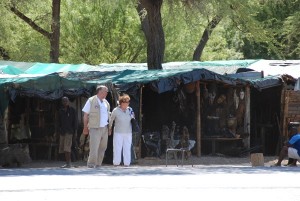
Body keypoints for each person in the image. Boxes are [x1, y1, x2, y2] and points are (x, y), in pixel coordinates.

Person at [82, 85, 110, 168]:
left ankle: (98, 164)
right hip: (95, 128)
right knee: (94, 147)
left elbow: (108, 115)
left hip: (104, 128)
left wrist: (109, 128)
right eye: (105, 91)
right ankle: (91, 164)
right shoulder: (91, 100)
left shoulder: (106, 102)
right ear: (100, 91)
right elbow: (85, 115)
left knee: (103, 147)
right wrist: (85, 127)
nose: (107, 93)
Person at [109, 94, 134, 167]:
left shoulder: (130, 109)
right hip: (118, 132)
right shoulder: (115, 110)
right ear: (121, 103)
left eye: (128, 103)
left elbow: (133, 119)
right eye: (125, 103)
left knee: (127, 147)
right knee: (117, 148)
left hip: (128, 132)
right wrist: (109, 129)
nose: (127, 104)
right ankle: (116, 163)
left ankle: (127, 163)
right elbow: (111, 120)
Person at [57, 97, 78, 168]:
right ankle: (67, 163)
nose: (65, 102)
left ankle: (69, 163)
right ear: (62, 102)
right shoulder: (60, 111)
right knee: (63, 149)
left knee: (67, 148)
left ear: (68, 101)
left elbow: (75, 122)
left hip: (69, 132)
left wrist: (75, 132)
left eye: (66, 101)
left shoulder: (72, 110)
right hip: (62, 132)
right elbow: (58, 122)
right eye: (63, 101)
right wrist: (58, 131)